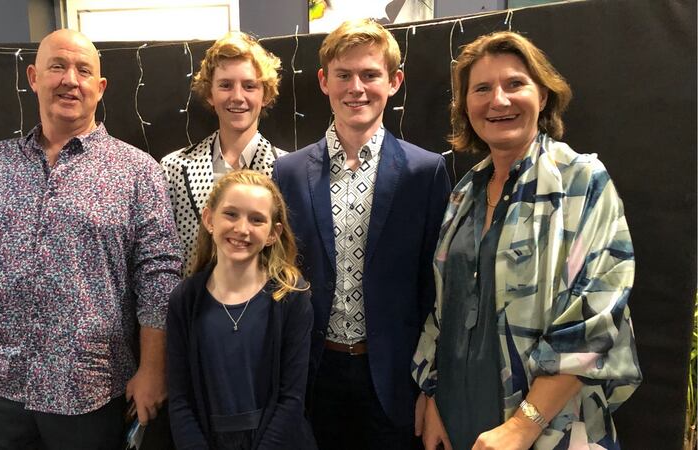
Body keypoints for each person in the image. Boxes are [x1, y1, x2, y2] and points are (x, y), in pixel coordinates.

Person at [0, 29, 182, 449]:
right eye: (57, 67)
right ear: (33, 77)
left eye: (84, 70)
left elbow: (158, 279)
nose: (70, 79)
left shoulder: (137, 172)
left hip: (91, 390)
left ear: (99, 88)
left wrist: (154, 371)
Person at [411, 31, 642, 450]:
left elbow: (594, 317)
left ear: (543, 96)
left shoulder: (580, 181)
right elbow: (446, 307)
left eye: (515, 84)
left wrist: (523, 426)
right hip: (459, 416)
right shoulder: (464, 194)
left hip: (545, 426)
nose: (498, 100)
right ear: (466, 106)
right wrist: (431, 396)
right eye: (481, 89)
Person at [273, 19, 451, 450]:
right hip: (313, 375)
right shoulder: (288, 171)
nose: (357, 88)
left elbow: (441, 287)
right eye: (344, 75)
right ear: (323, 81)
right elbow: (278, 273)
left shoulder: (425, 172)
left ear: (393, 82)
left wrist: (433, 388)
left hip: (394, 377)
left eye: (370, 75)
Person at [167, 170, 315, 449]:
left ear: (273, 233)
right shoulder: (184, 300)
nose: (242, 229)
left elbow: (291, 398)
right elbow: (180, 400)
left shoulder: (291, 297)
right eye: (231, 214)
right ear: (209, 219)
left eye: (257, 219)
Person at [162, 32, 286, 274]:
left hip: (265, 308)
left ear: (266, 95)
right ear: (210, 94)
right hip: (193, 307)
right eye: (225, 85)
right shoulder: (173, 169)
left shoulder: (288, 168)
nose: (237, 97)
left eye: (249, 86)